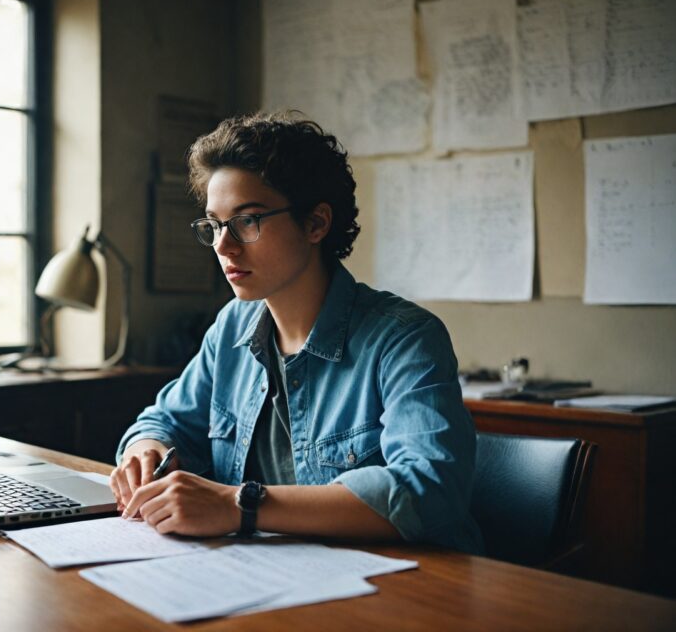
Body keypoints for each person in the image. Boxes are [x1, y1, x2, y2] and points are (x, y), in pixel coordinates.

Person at [110, 111, 483, 553]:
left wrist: (238, 505)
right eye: (214, 224)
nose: (223, 246)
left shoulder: (405, 338)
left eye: (247, 220)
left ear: (316, 224)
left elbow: (428, 491)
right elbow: (164, 420)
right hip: (269, 577)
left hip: (404, 590)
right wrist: (146, 450)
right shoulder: (231, 325)